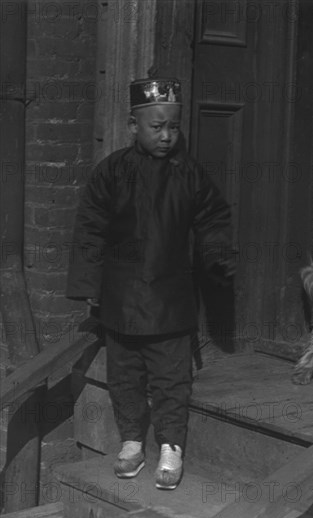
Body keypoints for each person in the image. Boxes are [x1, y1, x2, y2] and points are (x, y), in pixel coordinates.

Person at [66, 78, 234, 490]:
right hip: (121, 296)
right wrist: (89, 281)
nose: (166, 136)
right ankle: (131, 440)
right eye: (156, 127)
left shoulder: (189, 174)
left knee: (171, 377)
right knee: (125, 375)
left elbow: (213, 219)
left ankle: (171, 445)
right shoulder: (112, 171)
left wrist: (215, 259)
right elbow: (90, 228)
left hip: (169, 296)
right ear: (132, 125)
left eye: (173, 127)